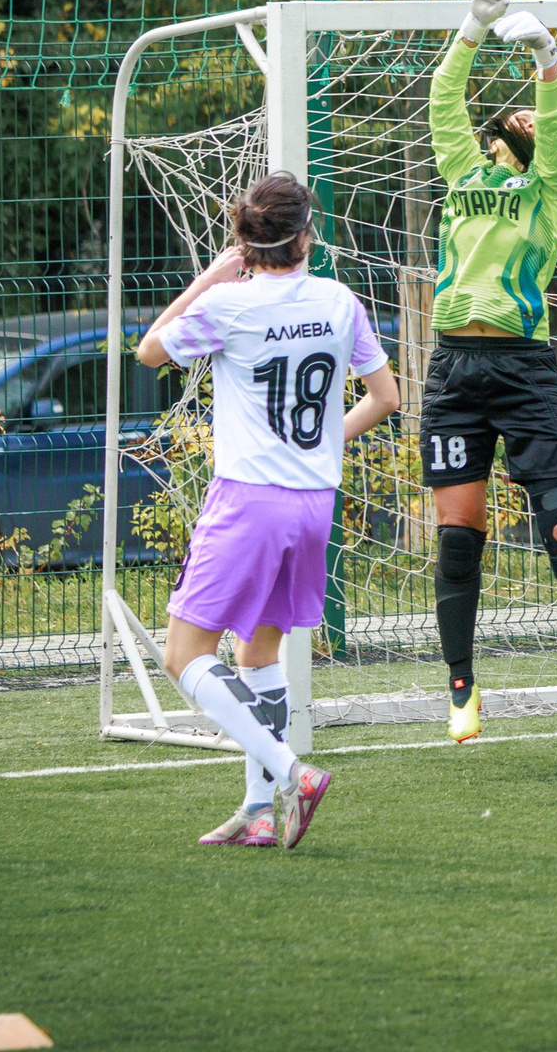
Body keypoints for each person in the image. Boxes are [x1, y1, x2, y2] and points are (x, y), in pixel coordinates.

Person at [137, 171, 400, 845]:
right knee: (259, 653)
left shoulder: (230, 305)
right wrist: (312, 444)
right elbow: (385, 398)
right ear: (306, 235)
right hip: (313, 502)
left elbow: (149, 350)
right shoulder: (339, 302)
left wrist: (210, 277)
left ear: (244, 246)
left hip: (249, 501)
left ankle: (289, 771)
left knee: (182, 654)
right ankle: (259, 811)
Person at [420, 0, 557, 742]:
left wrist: (546, 59)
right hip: (454, 373)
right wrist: (474, 25)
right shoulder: (463, 172)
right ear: (499, 131)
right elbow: (441, 99)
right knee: (460, 536)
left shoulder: (549, 186)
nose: (536, 116)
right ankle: (462, 691)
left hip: (526, 371)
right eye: (526, 110)